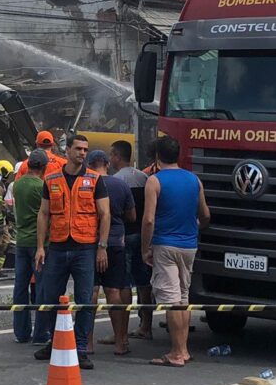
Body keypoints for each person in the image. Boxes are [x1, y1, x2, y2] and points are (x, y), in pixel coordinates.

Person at [34, 134, 110, 370]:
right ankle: (54, 342)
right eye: (78, 149)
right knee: (49, 298)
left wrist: (102, 247)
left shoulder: (95, 179)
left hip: (85, 247)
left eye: (86, 150)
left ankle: (79, 348)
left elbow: (105, 214)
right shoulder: (52, 178)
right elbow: (44, 213)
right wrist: (40, 247)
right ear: (67, 150)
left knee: (85, 300)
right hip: (57, 246)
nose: (83, 153)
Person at [142, 135, 210, 368]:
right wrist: (195, 227)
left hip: (165, 244)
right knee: (183, 297)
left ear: (157, 156)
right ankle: (185, 349)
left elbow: (149, 219)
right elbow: (205, 215)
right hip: (189, 245)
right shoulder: (194, 180)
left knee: (171, 300)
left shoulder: (155, 181)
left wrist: (145, 248)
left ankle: (177, 352)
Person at [86, 149, 135, 356]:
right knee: (114, 292)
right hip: (115, 243)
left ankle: (86, 344)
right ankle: (120, 342)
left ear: (89, 165)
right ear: (107, 163)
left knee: (90, 293)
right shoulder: (120, 184)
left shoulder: (86, 184)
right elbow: (131, 215)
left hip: (89, 242)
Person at [109, 140, 153, 340]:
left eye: (112, 155)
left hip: (124, 236)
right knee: (144, 282)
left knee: (123, 282)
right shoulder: (145, 178)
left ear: (117, 156)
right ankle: (146, 326)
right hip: (143, 237)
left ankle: (122, 332)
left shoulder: (115, 181)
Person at [12, 149, 50, 345]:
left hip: (21, 241)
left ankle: (21, 331)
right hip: (39, 243)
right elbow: (45, 214)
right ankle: (41, 333)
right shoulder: (42, 186)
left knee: (20, 287)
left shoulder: (17, 185)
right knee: (42, 287)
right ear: (44, 167)